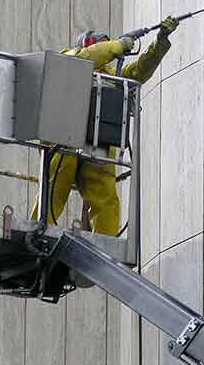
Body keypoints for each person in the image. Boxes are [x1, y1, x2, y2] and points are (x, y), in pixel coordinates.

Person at [30, 16, 179, 236]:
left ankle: (106, 242)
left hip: (96, 143)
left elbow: (139, 72)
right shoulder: (68, 57)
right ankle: (37, 229)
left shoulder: (111, 75)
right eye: (103, 46)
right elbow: (85, 59)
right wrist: (117, 45)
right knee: (54, 189)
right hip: (64, 138)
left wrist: (160, 40)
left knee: (106, 198)